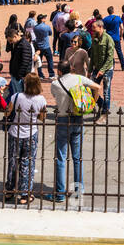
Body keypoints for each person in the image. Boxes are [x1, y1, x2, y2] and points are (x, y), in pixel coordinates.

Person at [50, 61, 100, 201]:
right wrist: (92, 102)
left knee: (61, 157)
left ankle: (60, 192)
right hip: (78, 118)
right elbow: (97, 87)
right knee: (77, 158)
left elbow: (56, 98)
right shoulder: (79, 79)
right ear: (70, 69)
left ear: (59, 71)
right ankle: (79, 190)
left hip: (63, 119)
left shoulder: (55, 84)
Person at [4, 74, 46, 204]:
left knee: (13, 161)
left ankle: (10, 190)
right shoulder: (41, 100)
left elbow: (7, 112)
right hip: (30, 133)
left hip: (15, 132)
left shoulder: (16, 97)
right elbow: (42, 118)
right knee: (28, 162)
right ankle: (25, 193)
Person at [89, 18, 115, 118]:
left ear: (100, 27)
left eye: (94, 28)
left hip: (107, 69)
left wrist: (103, 70)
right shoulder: (94, 38)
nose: (92, 30)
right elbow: (92, 56)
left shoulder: (108, 39)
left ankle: (105, 112)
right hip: (97, 68)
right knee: (91, 88)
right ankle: (102, 104)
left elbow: (110, 57)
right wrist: (90, 70)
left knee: (106, 91)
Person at [102, 5, 124, 71]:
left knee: (110, 53)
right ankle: (123, 66)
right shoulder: (118, 18)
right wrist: (121, 36)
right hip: (116, 37)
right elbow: (122, 28)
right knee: (119, 52)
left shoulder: (105, 19)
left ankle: (111, 66)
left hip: (109, 38)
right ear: (113, 11)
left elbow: (102, 28)